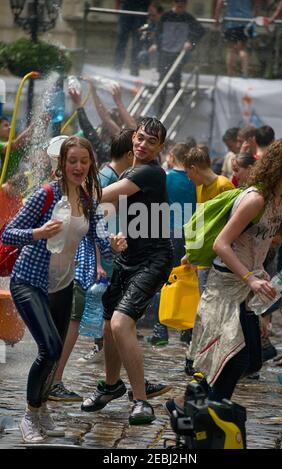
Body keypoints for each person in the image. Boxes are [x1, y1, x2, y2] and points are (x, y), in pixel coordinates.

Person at [1, 136, 127, 443]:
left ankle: (42, 409)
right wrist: (38, 232)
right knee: (51, 348)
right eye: (73, 161)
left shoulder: (88, 201)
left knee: (54, 356)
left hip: (62, 285)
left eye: (84, 161)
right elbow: (9, 233)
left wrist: (114, 245)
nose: (79, 167)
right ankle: (30, 416)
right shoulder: (45, 194)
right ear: (62, 163)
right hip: (29, 280)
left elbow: (101, 245)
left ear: (91, 165)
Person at [165, 139, 282, 414]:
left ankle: (193, 401)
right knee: (236, 360)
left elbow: (256, 247)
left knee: (252, 361)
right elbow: (221, 244)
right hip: (226, 286)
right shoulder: (256, 199)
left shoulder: (278, 199)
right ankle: (207, 413)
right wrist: (251, 279)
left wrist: (256, 292)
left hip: (245, 290)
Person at [81, 117, 174, 424]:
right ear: (133, 137)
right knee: (107, 326)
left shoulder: (149, 172)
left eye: (151, 141)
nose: (143, 144)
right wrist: (117, 236)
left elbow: (100, 197)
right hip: (128, 258)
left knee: (121, 324)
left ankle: (142, 401)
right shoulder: (131, 173)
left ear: (160, 147)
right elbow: (116, 211)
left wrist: (71, 179)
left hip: (154, 260)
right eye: (140, 138)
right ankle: (111, 386)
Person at [77, 129, 135, 365]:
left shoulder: (112, 177)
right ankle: (100, 348)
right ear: (130, 154)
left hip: (110, 251)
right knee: (102, 301)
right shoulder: (108, 179)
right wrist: (99, 261)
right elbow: (93, 224)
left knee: (107, 301)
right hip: (103, 254)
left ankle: (104, 348)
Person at [182, 144, 234, 375]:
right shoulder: (201, 187)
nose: (188, 178)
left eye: (187, 173)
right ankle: (200, 356)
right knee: (204, 309)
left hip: (219, 259)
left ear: (193, 168)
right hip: (204, 260)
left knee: (213, 311)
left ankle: (208, 358)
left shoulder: (223, 186)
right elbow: (201, 221)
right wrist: (191, 253)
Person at [147, 142, 196, 346]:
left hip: (167, 233)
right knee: (188, 279)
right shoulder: (196, 180)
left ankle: (160, 330)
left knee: (164, 279)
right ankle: (188, 328)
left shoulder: (166, 178)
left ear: (173, 157)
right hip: (191, 235)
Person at [149, 0, 204, 114]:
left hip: (178, 52)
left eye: (182, 7)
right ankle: (160, 106)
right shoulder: (166, 16)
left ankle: (177, 97)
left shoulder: (188, 17)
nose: (180, 9)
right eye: (178, 6)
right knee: (163, 78)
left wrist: (190, 41)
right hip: (165, 51)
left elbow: (200, 30)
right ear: (174, 4)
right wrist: (155, 44)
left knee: (176, 75)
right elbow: (158, 32)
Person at [214, 0, 260, 77]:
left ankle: (230, 74)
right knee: (243, 49)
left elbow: (220, 2)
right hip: (246, 21)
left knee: (231, 49)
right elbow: (257, 3)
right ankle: (245, 73)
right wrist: (255, 15)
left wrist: (216, 17)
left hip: (231, 21)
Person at [114, 0, 151, 76]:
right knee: (122, 42)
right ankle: (117, 68)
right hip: (127, 9)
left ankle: (134, 69)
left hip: (141, 9)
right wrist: (117, 8)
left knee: (138, 43)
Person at [0, 117, 34, 182]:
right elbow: (14, 145)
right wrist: (30, 128)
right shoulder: (2, 143)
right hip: (3, 186)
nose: (10, 127)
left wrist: (42, 123)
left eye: (9, 125)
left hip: (15, 185)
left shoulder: (13, 143)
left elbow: (27, 140)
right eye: (5, 125)